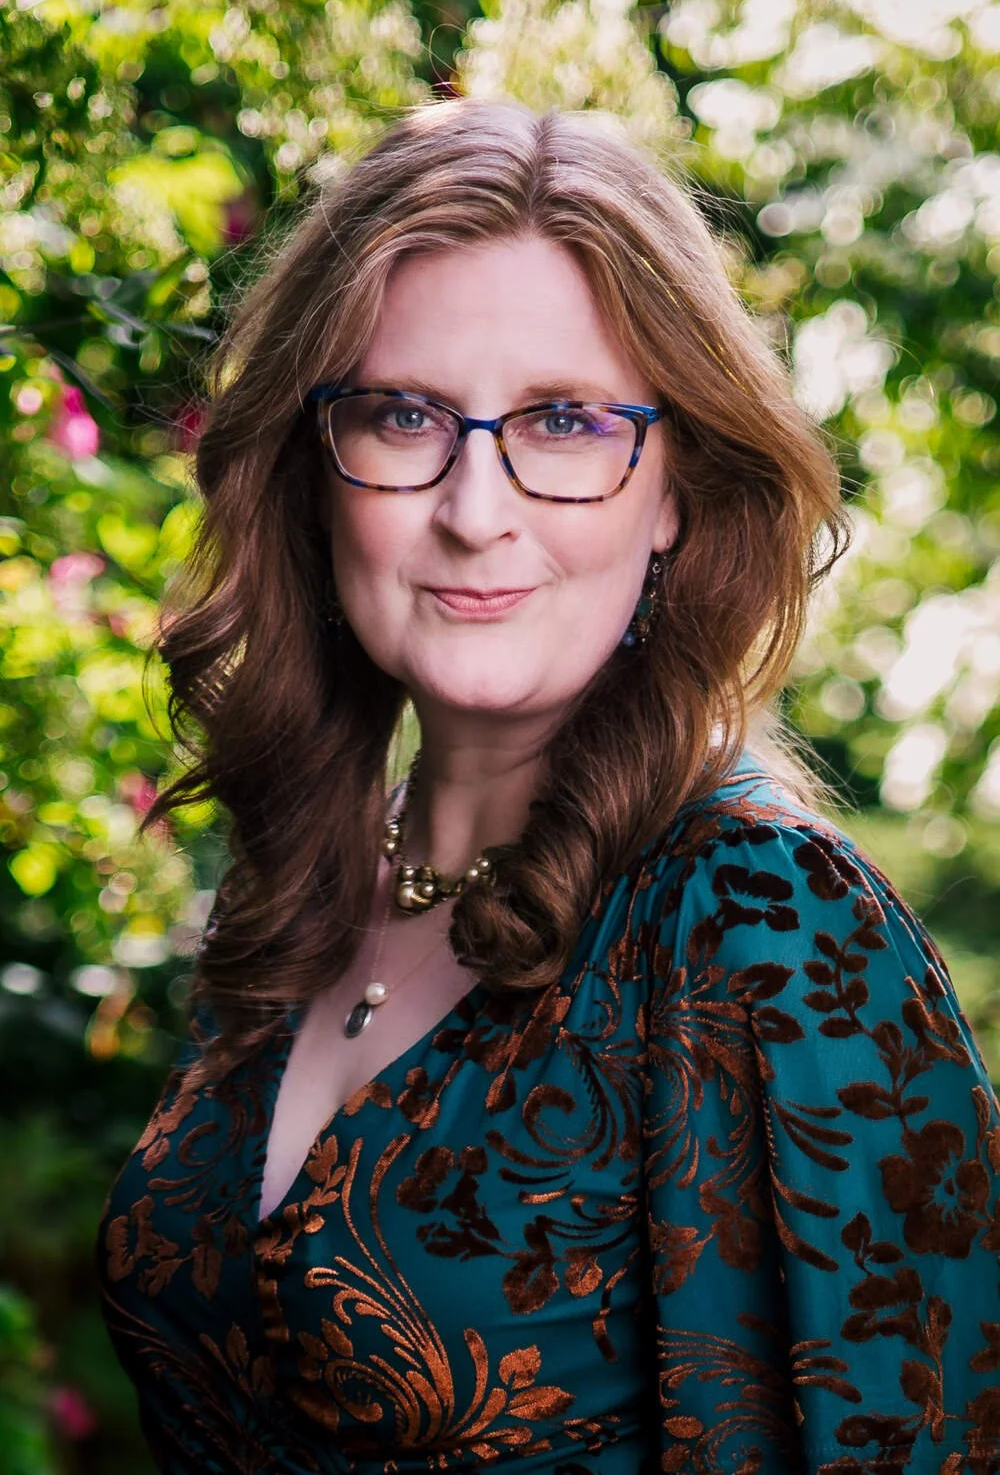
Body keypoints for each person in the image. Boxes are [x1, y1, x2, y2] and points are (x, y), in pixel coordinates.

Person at [94, 96, 1000, 1475]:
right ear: (314, 468)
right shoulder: (317, 893)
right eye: (403, 416)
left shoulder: (768, 923)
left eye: (565, 422)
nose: (474, 507)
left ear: (678, 489)